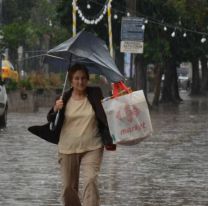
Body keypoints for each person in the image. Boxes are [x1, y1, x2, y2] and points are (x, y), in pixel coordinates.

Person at [47, 63, 116, 206]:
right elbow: (51, 119)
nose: (80, 82)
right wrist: (55, 109)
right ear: (71, 80)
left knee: (90, 181)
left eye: (84, 78)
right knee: (68, 188)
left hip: (92, 146)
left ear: (88, 79)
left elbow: (107, 112)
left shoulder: (95, 94)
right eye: (77, 78)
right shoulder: (63, 98)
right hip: (67, 148)